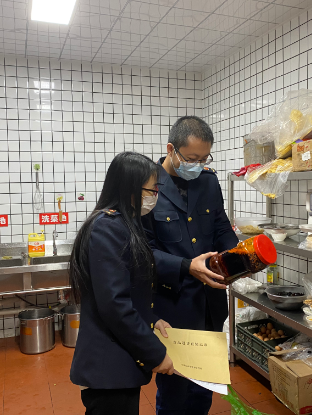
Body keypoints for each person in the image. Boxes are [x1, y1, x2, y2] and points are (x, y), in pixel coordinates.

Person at [142, 116, 239, 415]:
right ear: (171, 149)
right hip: (173, 306)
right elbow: (144, 252)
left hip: (209, 304)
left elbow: (221, 226)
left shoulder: (208, 182)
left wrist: (236, 257)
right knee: (174, 390)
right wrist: (186, 266)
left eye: (204, 158)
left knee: (203, 388)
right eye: (191, 158)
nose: (197, 165)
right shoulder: (148, 186)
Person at [69, 152, 174, 415]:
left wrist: (152, 320)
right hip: (108, 368)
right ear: (130, 188)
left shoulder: (126, 224)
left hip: (120, 361)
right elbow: (115, 304)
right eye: (151, 190)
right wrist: (156, 353)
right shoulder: (108, 227)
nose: (155, 196)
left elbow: (130, 289)